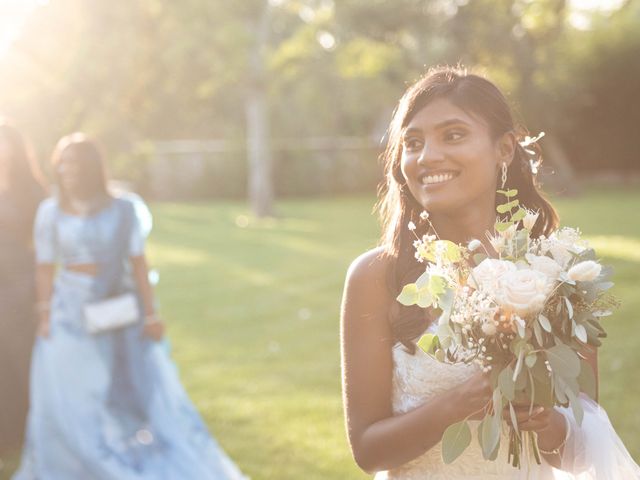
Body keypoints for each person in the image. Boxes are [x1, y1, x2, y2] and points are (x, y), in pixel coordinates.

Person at [340, 66, 640, 479]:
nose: (427, 156)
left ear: (504, 149)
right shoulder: (375, 278)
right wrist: (462, 401)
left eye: (453, 134)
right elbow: (368, 451)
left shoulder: (556, 273)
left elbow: (583, 447)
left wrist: (547, 423)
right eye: (413, 142)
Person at [13, 133, 246, 480]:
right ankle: (76, 461)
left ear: (91, 167)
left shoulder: (123, 209)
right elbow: (45, 266)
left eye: (74, 163)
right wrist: (45, 314)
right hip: (67, 315)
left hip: (115, 312)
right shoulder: (50, 211)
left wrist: (150, 315)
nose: (66, 170)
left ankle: (115, 458)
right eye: (61, 163)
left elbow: (138, 263)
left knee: (119, 391)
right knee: (68, 393)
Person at [0, 119, 46, 455]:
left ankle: (32, 430)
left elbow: (45, 246)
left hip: (18, 283)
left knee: (22, 357)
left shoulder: (30, 191)